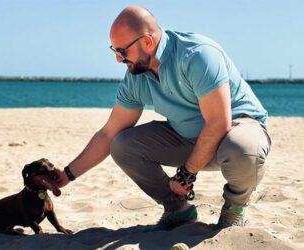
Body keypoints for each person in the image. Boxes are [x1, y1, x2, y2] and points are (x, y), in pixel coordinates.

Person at [56, 6, 271, 230]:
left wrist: (187, 173)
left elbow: (219, 124)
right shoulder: (136, 75)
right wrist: (67, 174)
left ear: (148, 42)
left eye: (122, 51)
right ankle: (178, 209)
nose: (118, 59)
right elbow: (108, 133)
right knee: (122, 145)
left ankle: (235, 208)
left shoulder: (197, 54)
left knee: (242, 148)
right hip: (187, 138)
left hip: (234, 131)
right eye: (114, 51)